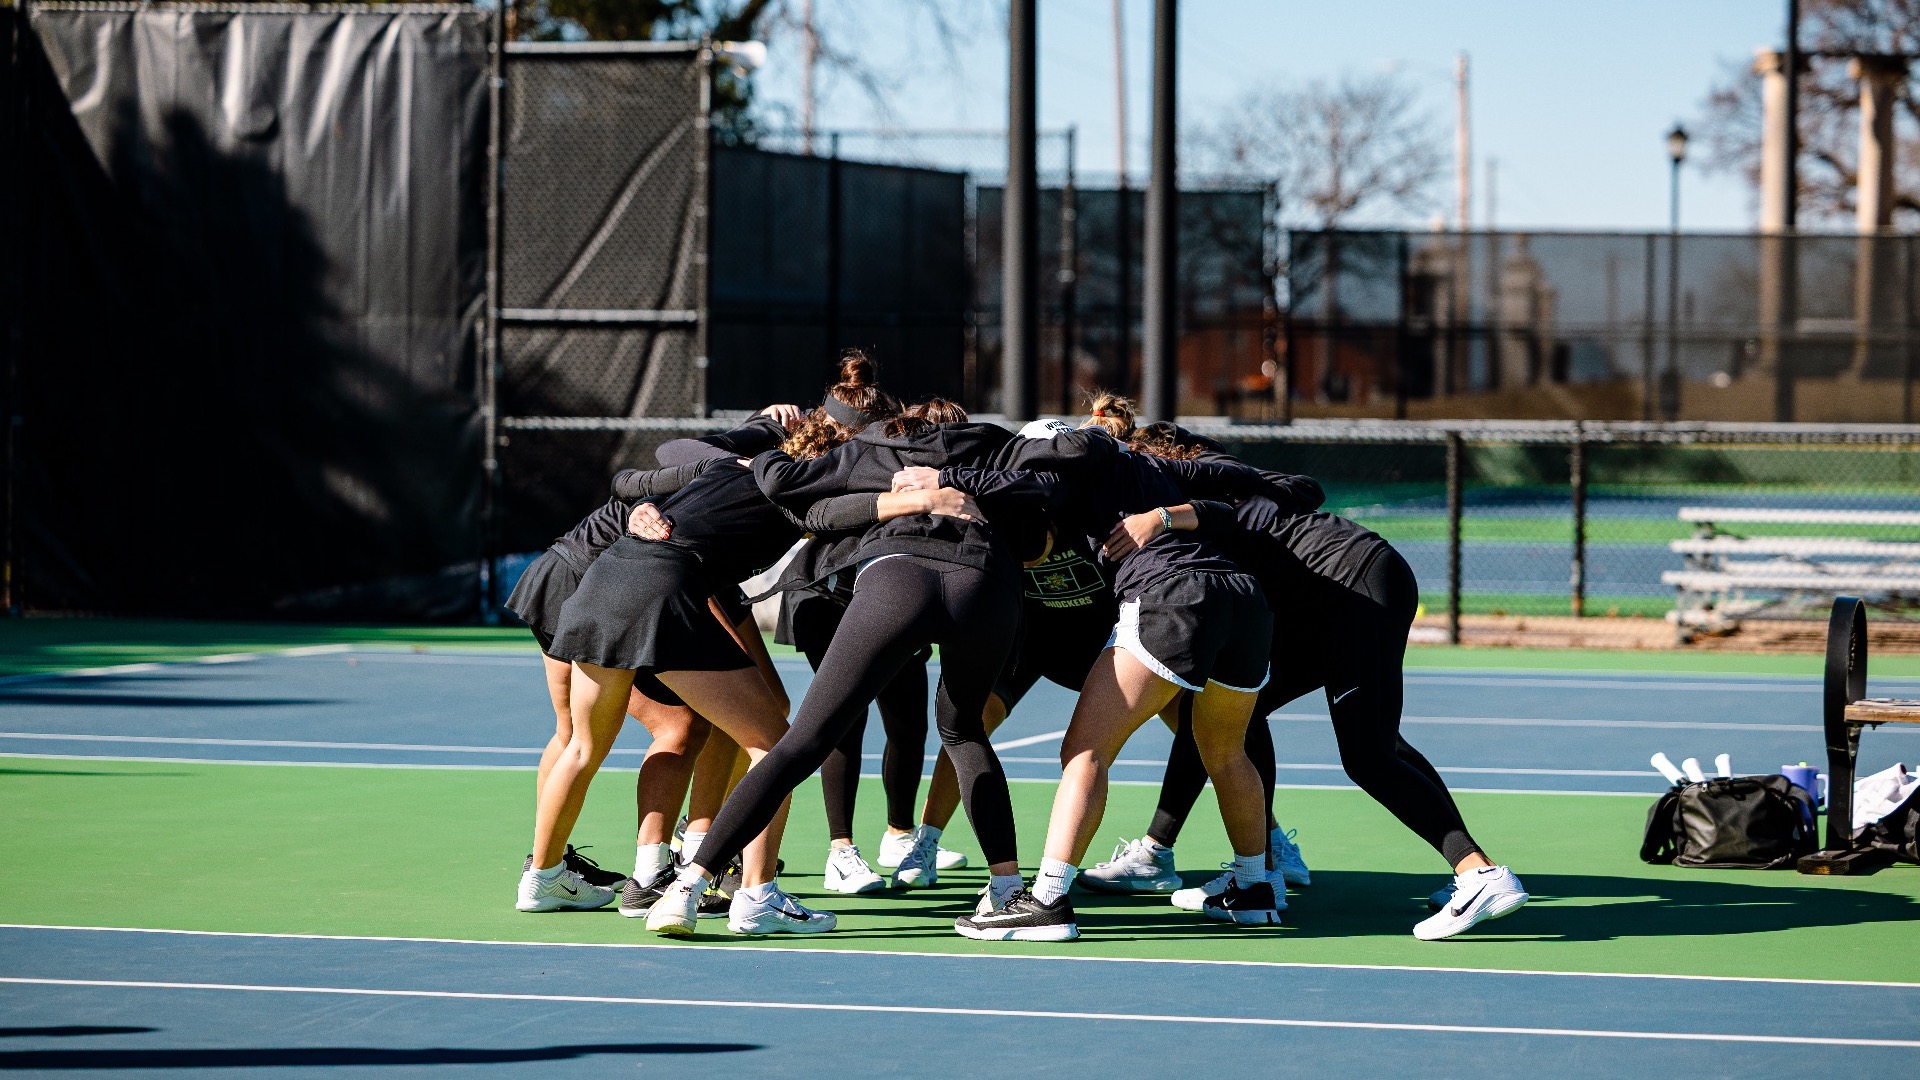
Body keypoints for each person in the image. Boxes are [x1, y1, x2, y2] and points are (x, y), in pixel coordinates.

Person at [646, 397, 1095, 936]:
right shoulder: (999, 444)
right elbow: (1060, 479)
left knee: (803, 741)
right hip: (985, 583)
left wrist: (753, 457)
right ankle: (1008, 893)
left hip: (897, 576)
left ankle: (686, 888)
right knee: (964, 730)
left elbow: (784, 483)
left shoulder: (873, 446)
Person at [930, 394, 1308, 941]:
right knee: (1226, 752)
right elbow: (1260, 501)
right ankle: (1255, 888)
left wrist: (938, 476)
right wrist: (1165, 514)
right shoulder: (1157, 464)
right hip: (1243, 599)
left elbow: (1027, 491)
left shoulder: (1058, 466)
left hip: (1170, 593)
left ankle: (1048, 900)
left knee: (1084, 750)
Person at [1128, 472, 1529, 940]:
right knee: (1247, 710)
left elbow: (1292, 496)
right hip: (1343, 592)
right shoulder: (1214, 488)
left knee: (1368, 756)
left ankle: (1480, 875)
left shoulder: (1190, 499)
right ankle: (1263, 873)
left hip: (1351, 588)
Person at [503, 456, 729, 911]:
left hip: (558, 574)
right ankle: (651, 875)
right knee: (679, 727)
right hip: (587, 584)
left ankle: (545, 868)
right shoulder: (717, 479)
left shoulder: (701, 471)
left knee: (571, 736)